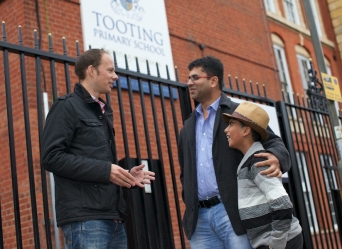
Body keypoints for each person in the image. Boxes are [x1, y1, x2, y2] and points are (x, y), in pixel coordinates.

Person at [41, 49, 155, 249]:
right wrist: (106, 171)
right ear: (91, 71)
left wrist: (125, 175)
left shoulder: (102, 111)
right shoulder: (66, 107)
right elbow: (51, 157)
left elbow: (95, 161)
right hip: (85, 221)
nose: (115, 76)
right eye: (110, 70)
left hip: (113, 218)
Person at [178, 56, 291, 249]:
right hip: (200, 219)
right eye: (188, 78)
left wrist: (277, 158)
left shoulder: (238, 112)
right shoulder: (188, 126)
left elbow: (274, 142)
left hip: (232, 212)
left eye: (195, 78)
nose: (189, 83)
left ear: (213, 80)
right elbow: (184, 172)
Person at [223, 101, 303, 249]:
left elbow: (283, 205)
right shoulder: (250, 161)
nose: (226, 130)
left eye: (231, 124)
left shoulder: (257, 163)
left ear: (246, 130)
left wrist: (276, 244)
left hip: (279, 242)